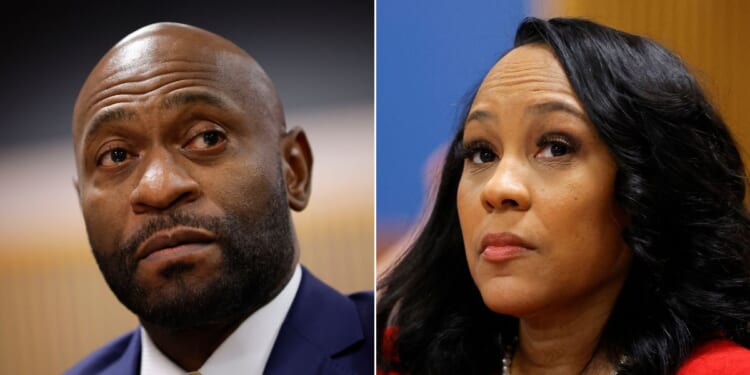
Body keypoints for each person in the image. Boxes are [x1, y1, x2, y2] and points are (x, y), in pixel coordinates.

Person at [377, 17, 750, 375]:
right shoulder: (399, 360)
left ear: (647, 187)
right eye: (482, 154)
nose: (497, 188)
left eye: (556, 148)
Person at [65, 22, 373, 375]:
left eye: (207, 138)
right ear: (81, 205)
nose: (158, 189)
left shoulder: (390, 351)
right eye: (116, 156)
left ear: (294, 171)